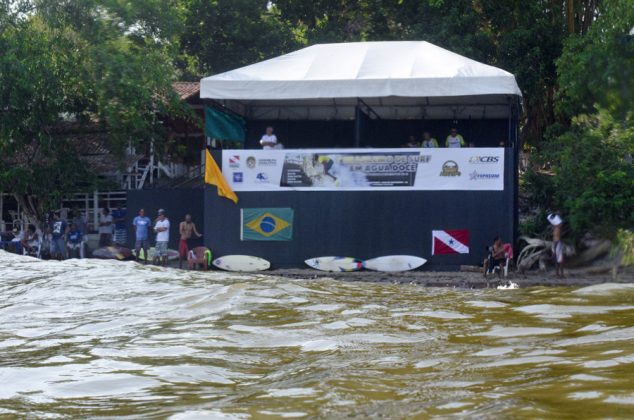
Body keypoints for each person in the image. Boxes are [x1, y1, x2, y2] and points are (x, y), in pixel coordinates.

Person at [548, 213, 564, 277]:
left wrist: (554, 247)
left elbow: (557, 239)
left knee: (559, 260)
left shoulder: (557, 229)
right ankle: (558, 273)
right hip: (556, 243)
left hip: (557, 244)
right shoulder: (556, 229)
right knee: (558, 260)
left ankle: (560, 274)